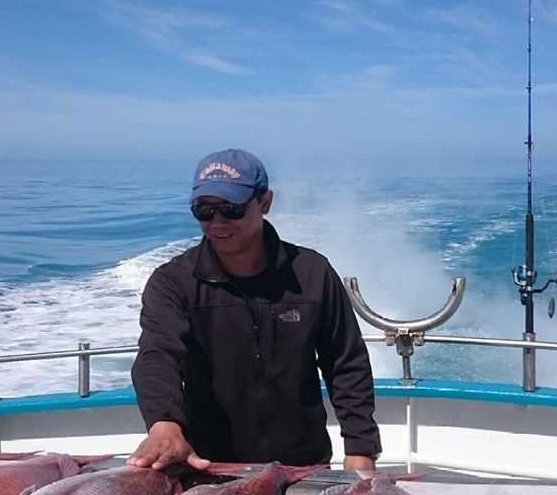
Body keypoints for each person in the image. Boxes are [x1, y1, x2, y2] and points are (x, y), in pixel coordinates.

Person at [128, 149, 381, 472]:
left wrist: (360, 450)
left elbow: (346, 363)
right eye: (204, 210)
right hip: (209, 468)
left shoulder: (312, 274)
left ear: (264, 203)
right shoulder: (172, 282)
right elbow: (157, 354)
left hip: (301, 468)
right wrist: (163, 423)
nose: (217, 222)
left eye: (230, 209)